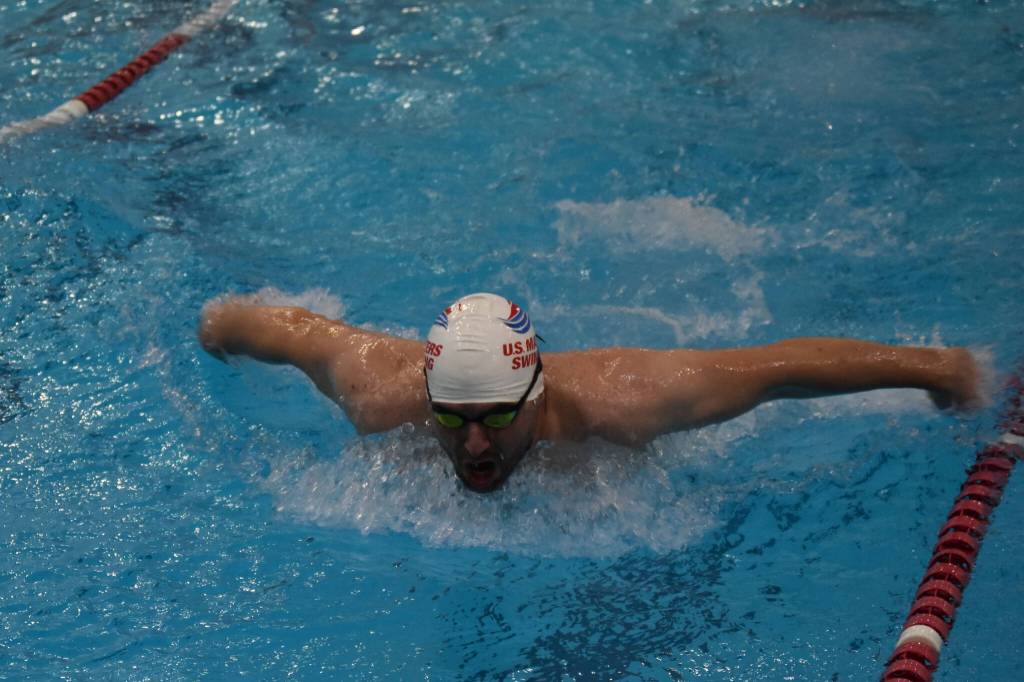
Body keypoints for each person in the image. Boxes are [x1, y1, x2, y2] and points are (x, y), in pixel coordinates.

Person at [198, 292, 983, 493]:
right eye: (454, 419)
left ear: (535, 397)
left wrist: (938, 370)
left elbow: (776, 367)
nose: (472, 445)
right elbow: (295, 331)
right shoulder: (381, 392)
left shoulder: (625, 402)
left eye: (497, 418)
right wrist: (216, 331)